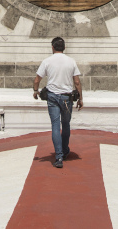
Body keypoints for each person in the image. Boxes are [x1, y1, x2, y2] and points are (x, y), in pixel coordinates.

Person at [33, 36, 83, 168]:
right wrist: (81, 98)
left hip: (52, 97)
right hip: (67, 98)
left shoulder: (47, 61)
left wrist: (35, 91)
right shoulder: (71, 61)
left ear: (52, 47)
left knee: (55, 125)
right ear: (64, 48)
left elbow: (37, 79)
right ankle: (65, 151)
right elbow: (77, 82)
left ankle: (59, 156)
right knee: (65, 124)